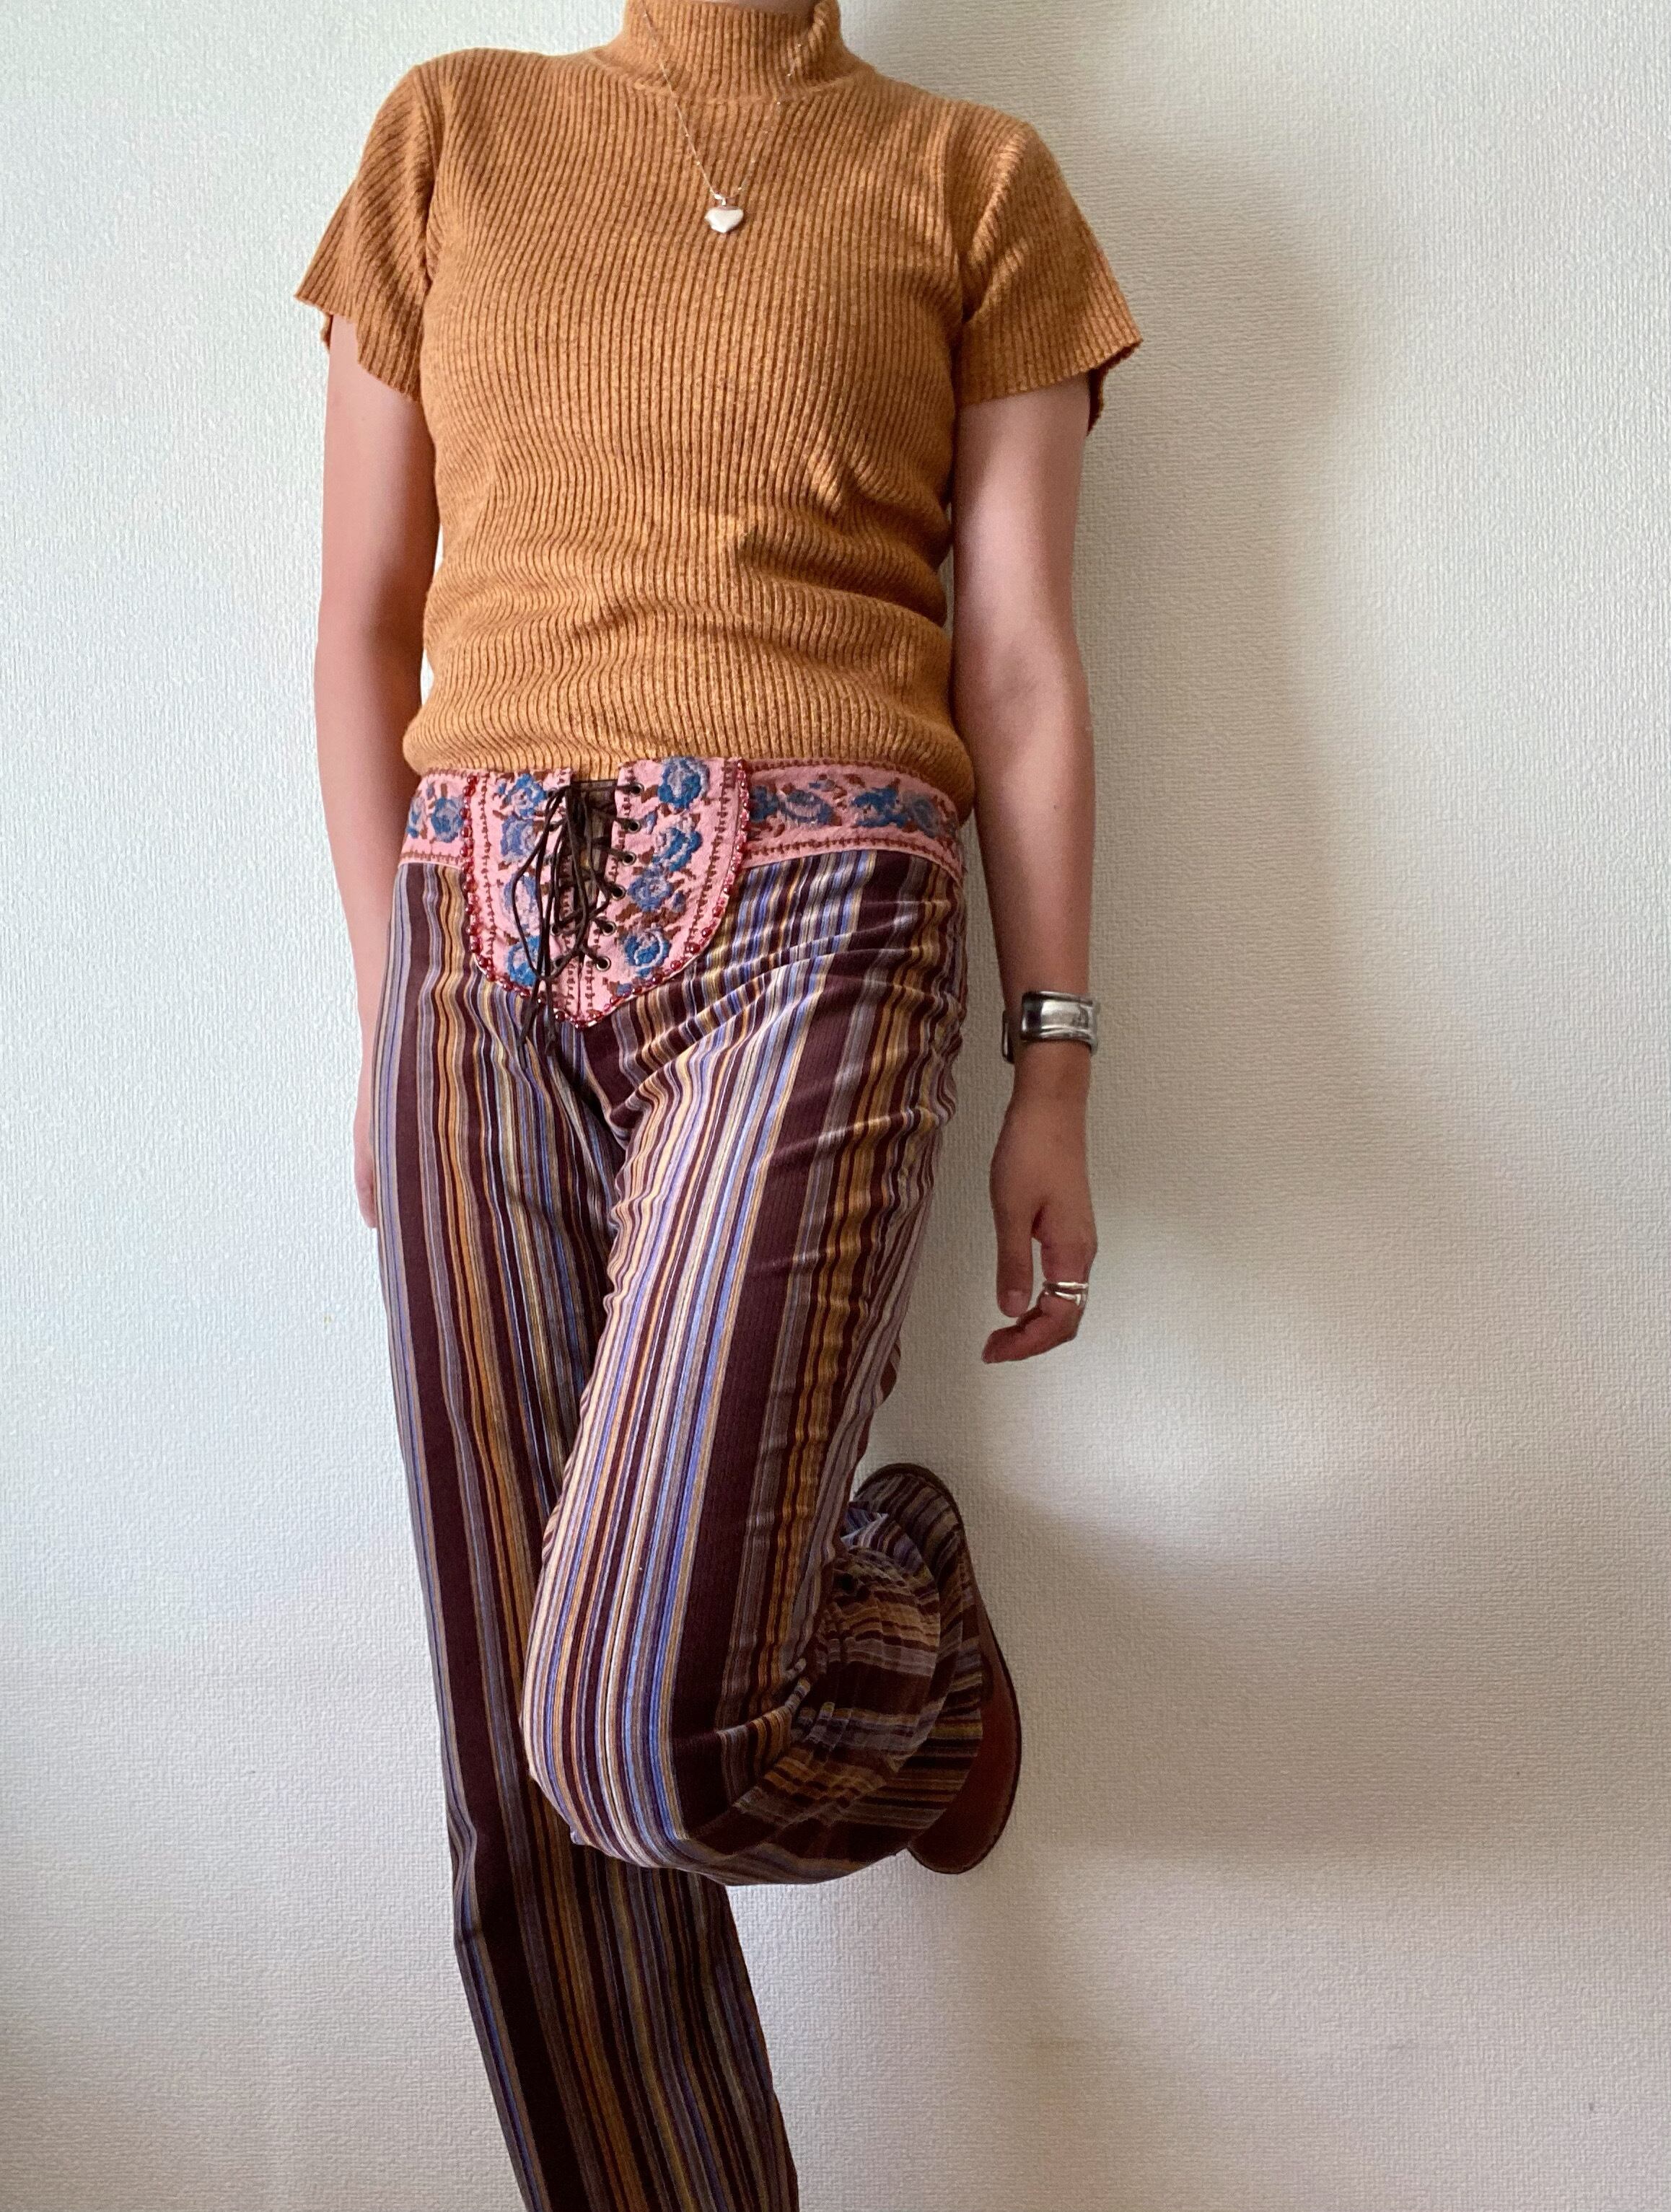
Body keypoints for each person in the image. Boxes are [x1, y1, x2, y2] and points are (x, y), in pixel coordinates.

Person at [294, 0, 1140, 2202]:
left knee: (637, 1733)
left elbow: (1016, 659)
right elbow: (365, 620)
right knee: (525, 1788)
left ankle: (909, 1625)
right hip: (470, 923)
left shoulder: (974, 181)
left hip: (826, 904)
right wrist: (388, 1011)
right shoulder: (449, 136)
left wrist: (1053, 1055)